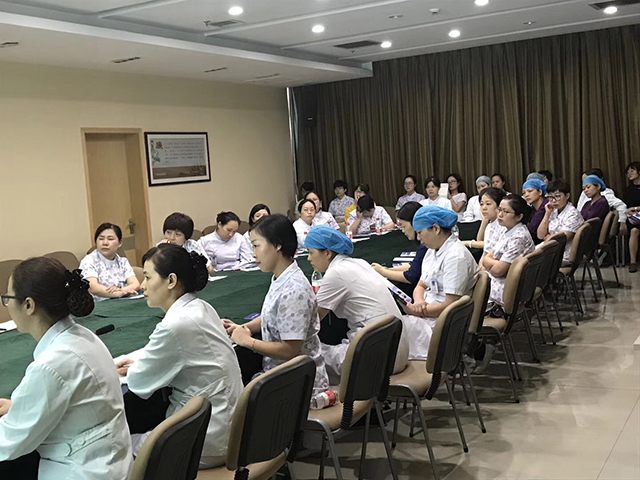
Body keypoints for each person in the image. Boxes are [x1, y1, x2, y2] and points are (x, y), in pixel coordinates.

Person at [0, 257, 132, 480]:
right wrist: (19, 408)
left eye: (8, 298)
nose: (7, 305)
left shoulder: (50, 365)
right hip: (110, 462)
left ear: (29, 305)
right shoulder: (84, 336)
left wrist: (18, 415)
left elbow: (9, 443)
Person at [115, 245, 242, 469]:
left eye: (147, 277)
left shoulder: (175, 325)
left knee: (117, 447)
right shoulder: (202, 306)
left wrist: (137, 368)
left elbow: (138, 382)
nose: (142, 285)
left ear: (171, 280)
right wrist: (145, 364)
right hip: (231, 428)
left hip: (205, 440)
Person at [222, 215, 330, 396]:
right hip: (284, 375)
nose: (253, 253)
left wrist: (248, 341)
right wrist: (243, 328)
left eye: (256, 245)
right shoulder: (282, 277)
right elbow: (274, 315)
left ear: (277, 245)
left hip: (300, 385)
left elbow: (289, 350)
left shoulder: (294, 289)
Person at [305, 226, 410, 383]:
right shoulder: (360, 263)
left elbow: (312, 319)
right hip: (398, 350)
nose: (309, 258)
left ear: (327, 253)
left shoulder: (336, 273)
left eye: (311, 252)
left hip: (378, 357)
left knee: (307, 359)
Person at [402, 206, 479, 361]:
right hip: (428, 314)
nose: (418, 238)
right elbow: (421, 285)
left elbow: (450, 306)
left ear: (435, 229)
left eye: (420, 232)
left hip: (441, 325)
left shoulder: (456, 257)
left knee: (391, 335)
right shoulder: (432, 250)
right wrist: (419, 302)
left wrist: (418, 311)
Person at [480, 195, 535, 312]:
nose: (500, 215)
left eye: (505, 212)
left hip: (508, 287)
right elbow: (491, 256)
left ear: (519, 216)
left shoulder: (519, 236)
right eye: (499, 210)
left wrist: (487, 261)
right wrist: (490, 261)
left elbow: (498, 270)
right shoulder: (508, 230)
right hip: (501, 279)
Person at [371, 201, 426, 294]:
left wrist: (382, 271)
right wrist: (385, 269)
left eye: (404, 226)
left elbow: (411, 276)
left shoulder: (426, 245)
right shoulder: (422, 245)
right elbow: (413, 266)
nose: (403, 231)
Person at [80, 222, 140, 301]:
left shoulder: (122, 261)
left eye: (110, 239)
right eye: (101, 239)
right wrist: (118, 293)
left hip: (119, 302)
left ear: (120, 243)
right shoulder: (89, 260)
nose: (105, 243)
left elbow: (135, 284)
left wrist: (122, 290)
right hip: (97, 304)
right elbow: (93, 287)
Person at [537, 179, 585, 262]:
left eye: (558, 196)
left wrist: (548, 237)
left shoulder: (573, 214)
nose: (554, 201)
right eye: (550, 197)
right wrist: (547, 214)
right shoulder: (554, 211)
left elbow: (561, 239)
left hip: (562, 254)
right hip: (550, 248)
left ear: (567, 196)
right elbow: (540, 235)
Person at [576, 168, 628, 234]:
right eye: (584, 188)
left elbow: (594, 221)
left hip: (590, 233)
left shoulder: (603, 201)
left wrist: (622, 222)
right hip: (580, 230)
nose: (585, 190)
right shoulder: (587, 203)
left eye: (588, 187)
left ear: (598, 186)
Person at [623, 162, 640, 272]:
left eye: (632, 170)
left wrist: (637, 208)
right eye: (628, 172)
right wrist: (629, 211)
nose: (629, 173)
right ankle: (633, 262)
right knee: (634, 231)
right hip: (634, 218)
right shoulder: (629, 190)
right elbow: (625, 206)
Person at [522, 178, 548, 244]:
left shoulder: (547, 206)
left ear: (540, 192)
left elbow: (531, 230)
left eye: (530, 191)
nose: (526, 195)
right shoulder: (532, 209)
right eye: (524, 193)